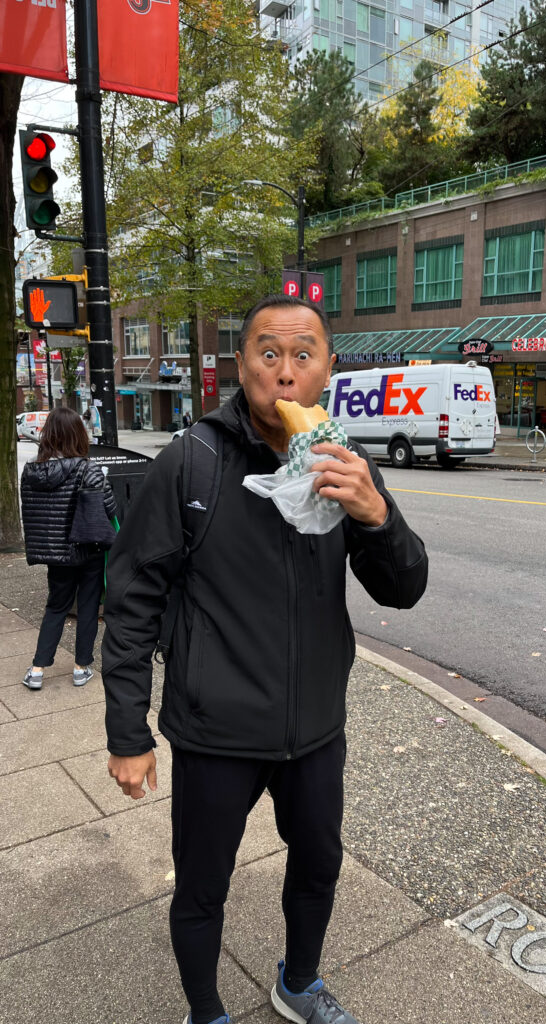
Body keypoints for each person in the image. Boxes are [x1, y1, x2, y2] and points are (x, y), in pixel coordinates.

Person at [102, 295, 428, 1024]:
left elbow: (404, 588)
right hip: (216, 730)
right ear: (241, 364)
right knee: (202, 887)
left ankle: (299, 983)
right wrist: (127, 733)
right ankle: (205, 1010)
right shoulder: (193, 462)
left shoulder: (343, 461)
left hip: (315, 728)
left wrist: (378, 517)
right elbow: (130, 603)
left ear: (327, 371)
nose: (285, 372)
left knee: (319, 866)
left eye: (303, 355)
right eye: (268, 354)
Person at [20, 407, 117, 691]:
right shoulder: (88, 469)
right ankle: (80, 668)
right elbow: (109, 508)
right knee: (88, 607)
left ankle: (37, 670)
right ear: (78, 434)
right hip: (89, 548)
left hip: (57, 555)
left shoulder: (31, 472)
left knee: (56, 606)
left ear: (48, 435)